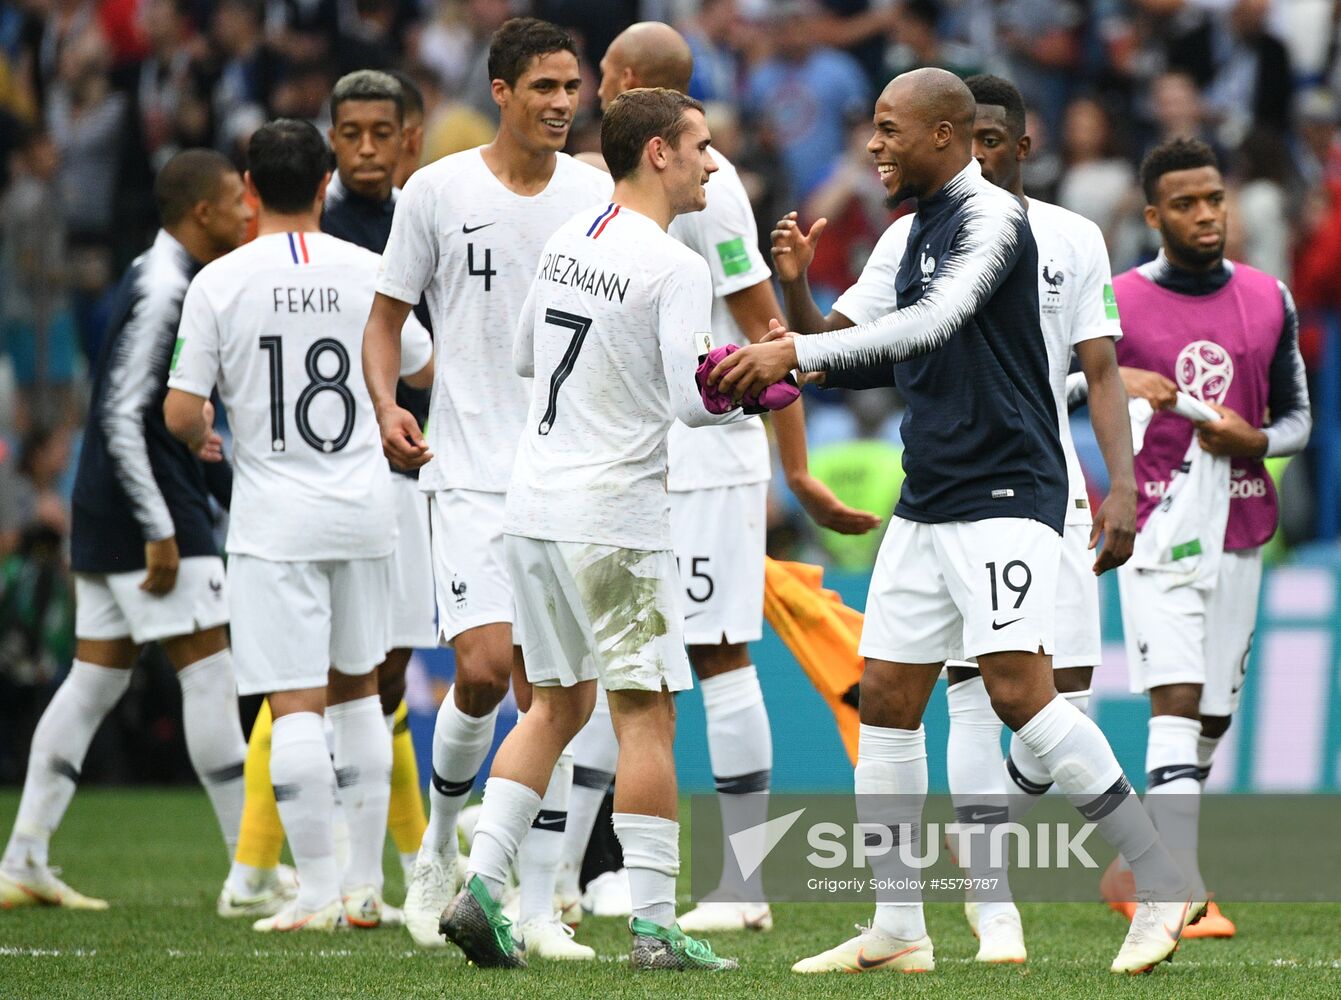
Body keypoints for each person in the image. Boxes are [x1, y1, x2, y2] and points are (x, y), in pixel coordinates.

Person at [715, 67, 1199, 976]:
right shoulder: (906, 234)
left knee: (1018, 692)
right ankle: (898, 924)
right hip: (929, 494)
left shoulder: (993, 222)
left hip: (1007, 493)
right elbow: (866, 358)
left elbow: (929, 327)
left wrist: (796, 351)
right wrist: (795, 309)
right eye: (871, 127)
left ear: (946, 135)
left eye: (890, 130)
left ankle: (1159, 875)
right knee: (889, 703)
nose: (872, 145)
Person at [552, 19, 880, 936]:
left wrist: (798, 468)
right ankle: (563, 879)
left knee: (711, 652)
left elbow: (765, 325)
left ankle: (741, 884)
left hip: (703, 454)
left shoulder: (708, 183)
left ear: (617, 81)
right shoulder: (605, 185)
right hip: (639, 453)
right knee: (612, 663)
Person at [438, 85, 746, 972]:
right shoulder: (676, 265)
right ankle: (655, 927)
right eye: (698, 147)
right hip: (614, 513)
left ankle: (482, 889)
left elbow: (529, 355)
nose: (711, 163)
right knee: (646, 714)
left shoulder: (570, 238)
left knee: (555, 706)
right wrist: (750, 396)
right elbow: (693, 406)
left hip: (532, 505)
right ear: (658, 153)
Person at [362, 17, 612, 956]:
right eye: (542, 87)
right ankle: (436, 849)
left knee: (565, 694)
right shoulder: (435, 190)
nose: (560, 102)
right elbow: (385, 321)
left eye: (570, 86)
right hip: (466, 475)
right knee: (482, 672)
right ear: (500, 92)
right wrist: (385, 406)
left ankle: (539, 904)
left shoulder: (596, 196)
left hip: (573, 477)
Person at [163, 119, 433, 933]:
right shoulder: (368, 269)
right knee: (359, 697)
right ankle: (361, 889)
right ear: (325, 184)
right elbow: (418, 364)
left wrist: (202, 426)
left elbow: (179, 410)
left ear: (246, 188)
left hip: (274, 518)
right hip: (363, 505)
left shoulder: (218, 280)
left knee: (296, 707)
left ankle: (312, 891)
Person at [0, 149, 252, 912]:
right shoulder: (166, 287)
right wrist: (159, 527)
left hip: (109, 510)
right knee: (209, 676)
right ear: (202, 213)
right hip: (149, 515)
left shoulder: (161, 275)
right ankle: (254, 870)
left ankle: (23, 858)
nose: (247, 211)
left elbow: (141, 411)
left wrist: (193, 442)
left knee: (92, 683)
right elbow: (115, 414)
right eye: (236, 201)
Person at [939, 74, 1136, 965]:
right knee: (976, 699)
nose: (972, 155)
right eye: (959, 138)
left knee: (1063, 698)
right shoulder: (920, 236)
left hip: (1052, 489)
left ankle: (976, 845)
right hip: (951, 494)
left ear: (1020, 146)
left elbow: (1098, 371)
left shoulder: (1071, 235)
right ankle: (993, 908)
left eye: (987, 139)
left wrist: (1121, 484)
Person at [1101, 137, 1310, 940]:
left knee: (1213, 715)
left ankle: (1135, 866)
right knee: (1177, 698)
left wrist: (1254, 441)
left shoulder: (1268, 297)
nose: (1204, 215)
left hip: (1242, 523)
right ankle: (1172, 890)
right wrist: (1117, 381)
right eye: (1184, 204)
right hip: (1153, 526)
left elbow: (1296, 418)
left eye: (1213, 199)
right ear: (1153, 216)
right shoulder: (1116, 300)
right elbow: (1061, 388)